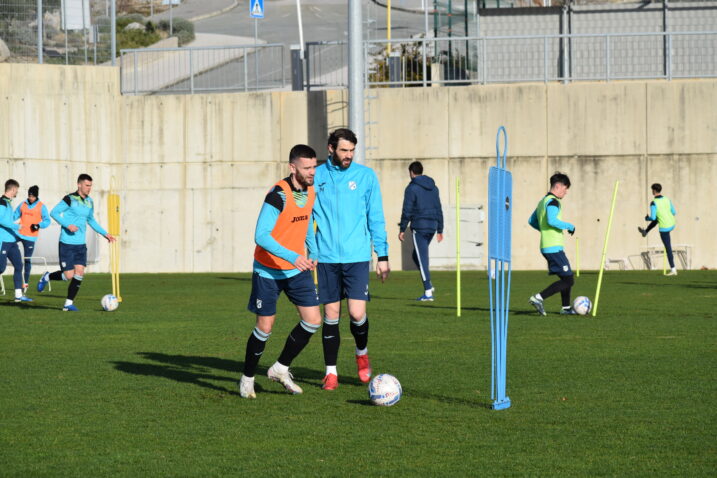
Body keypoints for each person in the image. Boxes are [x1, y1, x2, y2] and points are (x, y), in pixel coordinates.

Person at [239, 145, 323, 399]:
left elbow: (307, 224)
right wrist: (294, 256)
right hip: (268, 270)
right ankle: (247, 378)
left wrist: (314, 252)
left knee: (313, 321)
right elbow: (260, 235)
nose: (312, 172)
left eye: (314, 167)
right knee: (265, 326)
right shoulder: (278, 195)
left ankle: (280, 368)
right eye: (307, 167)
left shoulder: (310, 192)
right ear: (292, 167)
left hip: (296, 269)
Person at [312, 128, 390, 391]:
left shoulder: (365, 176)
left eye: (352, 150)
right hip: (326, 257)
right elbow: (305, 217)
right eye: (344, 150)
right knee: (330, 314)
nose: (348, 155)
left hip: (357, 256)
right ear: (331, 149)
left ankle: (361, 353)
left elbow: (375, 216)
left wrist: (383, 255)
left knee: (357, 313)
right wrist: (310, 250)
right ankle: (330, 372)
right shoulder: (317, 176)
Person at [37, 174, 116, 311]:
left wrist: (105, 234)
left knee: (79, 273)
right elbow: (54, 213)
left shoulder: (90, 201)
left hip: (80, 244)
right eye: (87, 185)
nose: (89, 188)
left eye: (90, 185)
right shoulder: (69, 199)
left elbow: (91, 220)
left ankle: (68, 304)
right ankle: (47, 276)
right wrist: (68, 225)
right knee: (68, 275)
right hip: (67, 243)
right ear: (79, 184)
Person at [527, 172, 577, 316]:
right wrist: (569, 226)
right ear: (558, 186)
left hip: (548, 246)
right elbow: (552, 220)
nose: (566, 192)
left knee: (566, 277)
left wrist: (544, 231)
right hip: (553, 247)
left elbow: (532, 221)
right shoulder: (554, 201)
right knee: (568, 279)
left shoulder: (542, 201)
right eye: (565, 188)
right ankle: (538, 298)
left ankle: (566, 308)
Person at [398, 161, 444, 301]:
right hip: (432, 226)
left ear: (411, 172)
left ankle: (428, 292)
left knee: (422, 259)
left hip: (420, 227)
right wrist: (440, 229)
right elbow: (439, 208)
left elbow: (407, 210)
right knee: (415, 256)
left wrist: (402, 229)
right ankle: (428, 283)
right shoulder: (434, 188)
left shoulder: (411, 188)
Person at [0, 179, 33, 303]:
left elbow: (7, 220)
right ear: (13, 189)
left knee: (19, 266)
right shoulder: (2, 202)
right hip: (3, 241)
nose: (17, 193)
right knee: (1, 269)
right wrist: (16, 226)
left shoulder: (8, 203)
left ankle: (18, 296)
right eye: (16, 190)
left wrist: (17, 224)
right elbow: (0, 220)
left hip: (12, 241)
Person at [14, 185, 51, 291]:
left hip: (30, 238)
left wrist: (39, 225)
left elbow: (47, 221)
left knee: (27, 260)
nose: (31, 198)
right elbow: (14, 215)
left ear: (36, 196)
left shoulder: (41, 206)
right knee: (5, 247)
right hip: (19, 234)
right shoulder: (23, 204)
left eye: (33, 196)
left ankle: (25, 284)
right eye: (29, 195)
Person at [638, 183, 677, 276]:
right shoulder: (667, 199)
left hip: (664, 227)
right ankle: (646, 231)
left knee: (668, 248)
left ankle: (673, 270)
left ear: (654, 191)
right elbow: (674, 212)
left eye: (652, 190)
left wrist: (647, 218)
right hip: (672, 223)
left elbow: (652, 217)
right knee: (656, 220)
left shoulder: (653, 202)